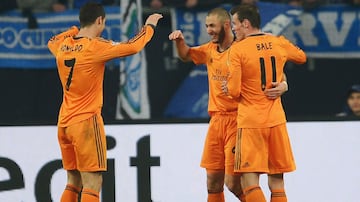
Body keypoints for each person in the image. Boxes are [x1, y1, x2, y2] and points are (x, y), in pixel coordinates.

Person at [169, 7, 288, 202]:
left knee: (233, 183)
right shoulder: (209, 49)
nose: (209, 30)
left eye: (212, 26)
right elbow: (186, 55)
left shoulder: (242, 48)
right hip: (216, 122)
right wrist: (179, 42)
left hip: (238, 119)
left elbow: (273, 69)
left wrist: (284, 84)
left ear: (226, 25)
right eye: (207, 26)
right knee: (213, 182)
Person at [47, 2, 162, 202]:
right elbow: (133, 46)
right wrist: (149, 25)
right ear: (100, 20)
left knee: (73, 180)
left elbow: (51, 41)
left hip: (64, 122)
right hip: (86, 123)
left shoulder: (62, 46)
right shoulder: (95, 47)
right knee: (92, 183)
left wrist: (75, 29)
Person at [223, 4, 307, 202]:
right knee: (277, 182)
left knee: (249, 181)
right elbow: (301, 57)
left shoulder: (238, 50)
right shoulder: (278, 42)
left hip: (252, 122)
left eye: (235, 24)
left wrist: (229, 87)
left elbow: (234, 92)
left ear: (246, 23)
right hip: (276, 120)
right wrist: (284, 83)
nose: (233, 29)